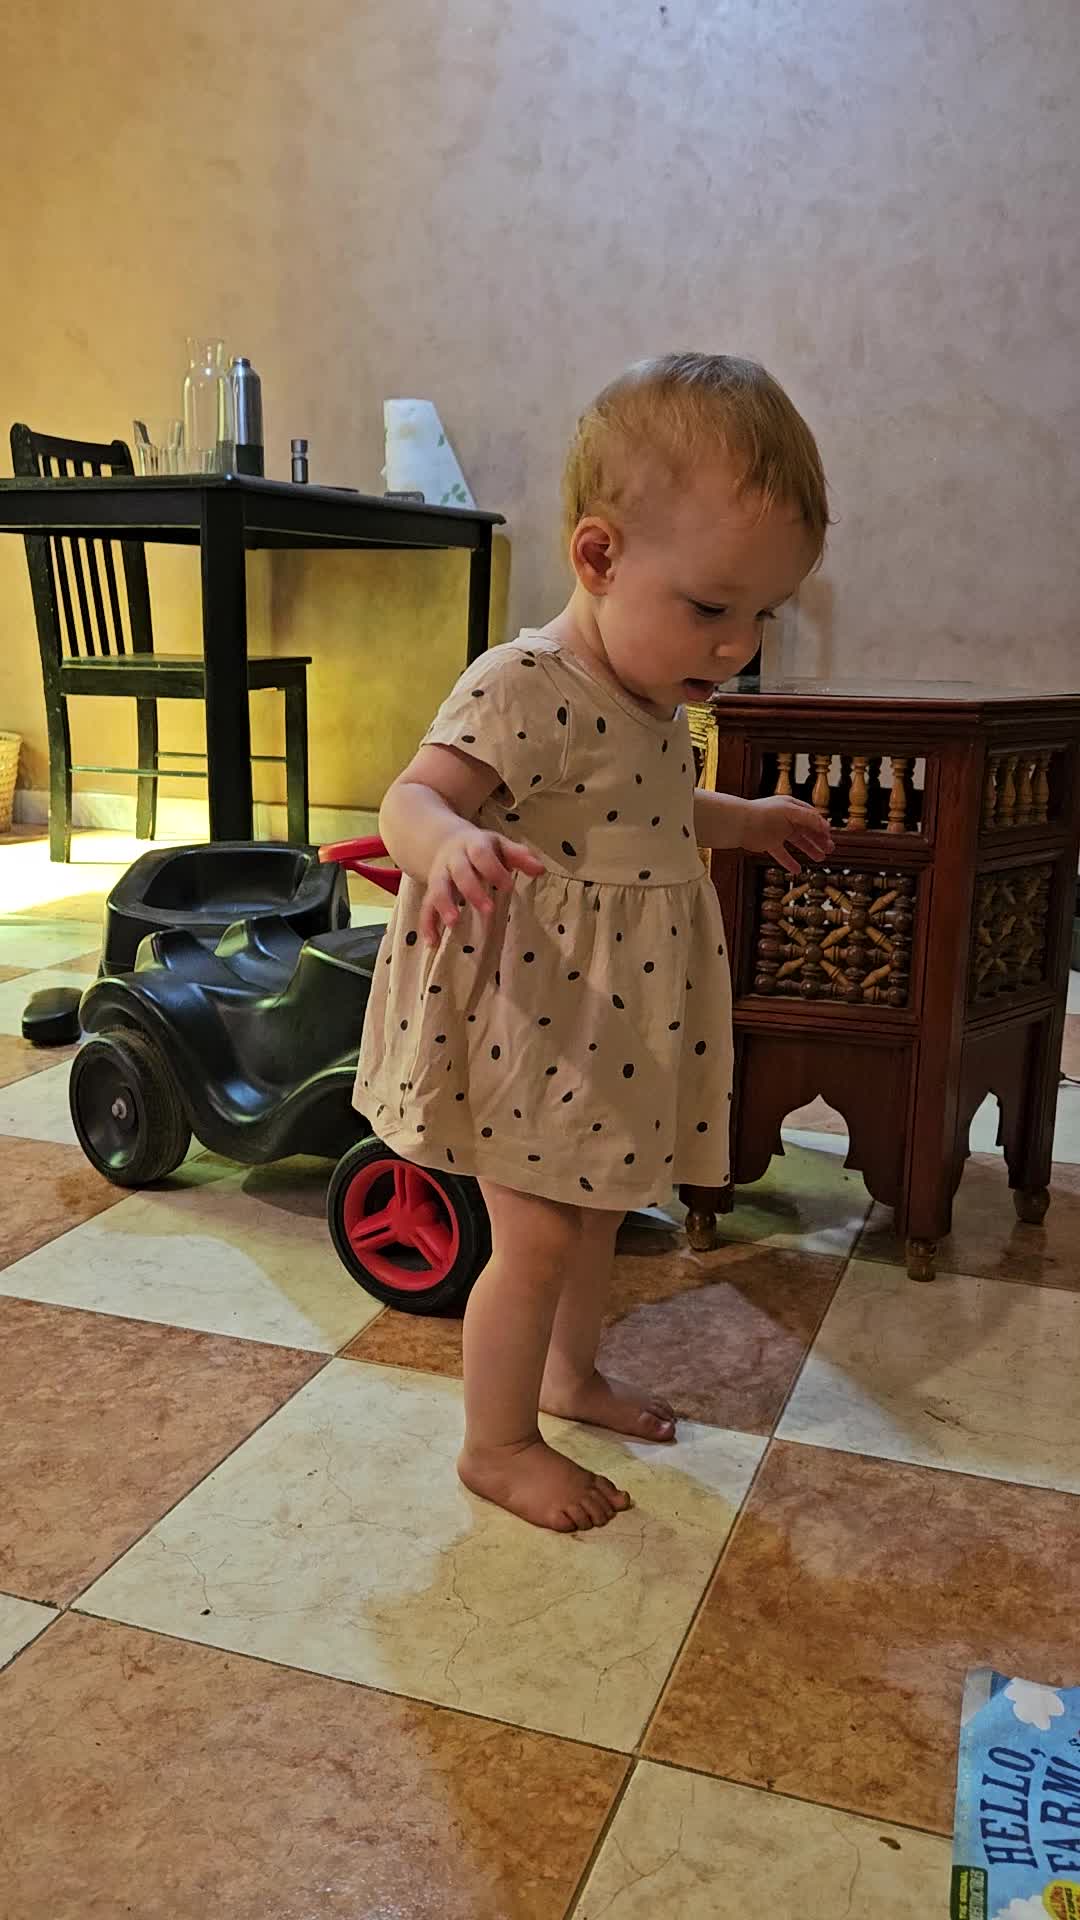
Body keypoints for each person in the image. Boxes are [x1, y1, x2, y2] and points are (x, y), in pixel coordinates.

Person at [357, 352, 833, 1532]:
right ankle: (496, 1443)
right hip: (534, 1010)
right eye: (713, 608)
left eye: (763, 615)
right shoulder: (521, 685)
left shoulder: (657, 696)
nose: (738, 645)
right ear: (600, 556)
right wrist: (446, 844)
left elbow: (649, 809)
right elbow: (409, 799)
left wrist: (744, 822)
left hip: (613, 1015)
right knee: (534, 1237)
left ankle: (568, 1379)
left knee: (599, 1211)